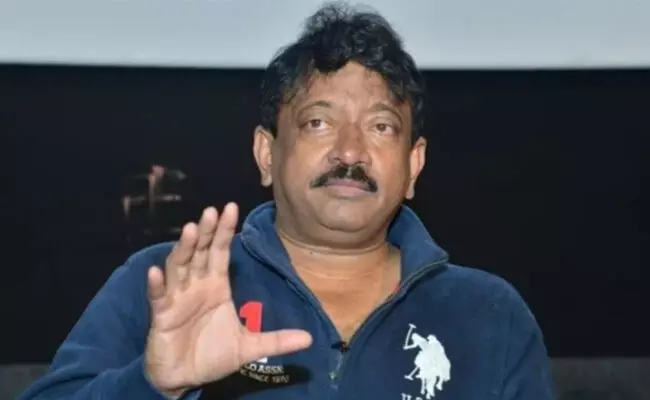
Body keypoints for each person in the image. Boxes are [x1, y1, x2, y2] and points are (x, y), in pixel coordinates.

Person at [19, 3, 556, 400]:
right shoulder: (165, 285)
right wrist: (151, 385)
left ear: (413, 165)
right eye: (318, 122)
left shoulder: (489, 316)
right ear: (267, 154)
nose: (350, 151)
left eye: (381, 126)